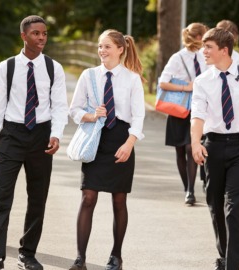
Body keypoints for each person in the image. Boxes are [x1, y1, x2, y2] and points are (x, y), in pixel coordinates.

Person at [0, 15, 68, 270]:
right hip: (12, 135)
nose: (41, 38)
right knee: (1, 197)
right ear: (24, 36)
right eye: (36, 33)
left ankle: (27, 254)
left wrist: (56, 133)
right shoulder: (7, 67)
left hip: (41, 137)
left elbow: (60, 106)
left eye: (45, 34)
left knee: (37, 198)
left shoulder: (53, 68)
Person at [191, 28, 239, 269]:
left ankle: (233, 265)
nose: (203, 51)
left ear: (224, 50)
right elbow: (198, 114)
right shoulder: (203, 81)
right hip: (212, 146)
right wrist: (195, 143)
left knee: (234, 208)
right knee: (215, 205)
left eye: (208, 47)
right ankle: (223, 256)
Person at [68, 29, 145, 270]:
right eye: (100, 46)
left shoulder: (132, 79)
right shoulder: (88, 75)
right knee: (88, 197)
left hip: (122, 140)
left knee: (119, 201)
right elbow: (74, 110)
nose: (102, 51)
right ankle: (80, 258)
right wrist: (91, 116)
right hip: (96, 140)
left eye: (107, 46)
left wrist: (129, 144)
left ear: (121, 49)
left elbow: (138, 116)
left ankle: (116, 257)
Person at [159, 22, 208, 205]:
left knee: (190, 147)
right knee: (180, 150)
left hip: (199, 108)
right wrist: (185, 87)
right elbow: (163, 83)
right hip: (179, 109)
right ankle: (187, 186)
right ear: (198, 37)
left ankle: (190, 190)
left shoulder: (205, 56)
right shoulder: (177, 58)